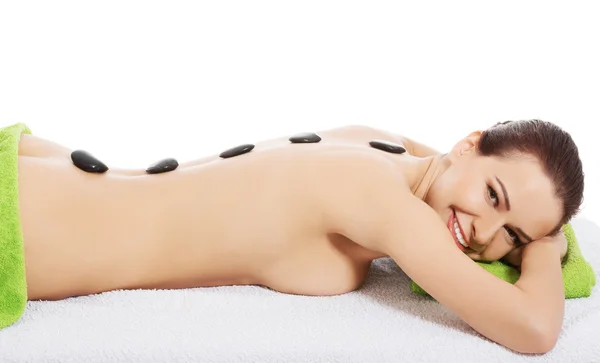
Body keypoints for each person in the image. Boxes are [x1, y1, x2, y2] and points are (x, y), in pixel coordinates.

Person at [15, 119, 584, 353]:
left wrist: (524, 220)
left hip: (48, 180)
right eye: (493, 196)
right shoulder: (388, 205)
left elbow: (442, 169)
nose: (484, 233)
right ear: (468, 143)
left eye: (511, 235)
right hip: (30, 220)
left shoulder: (383, 145)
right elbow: (534, 330)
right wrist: (546, 247)